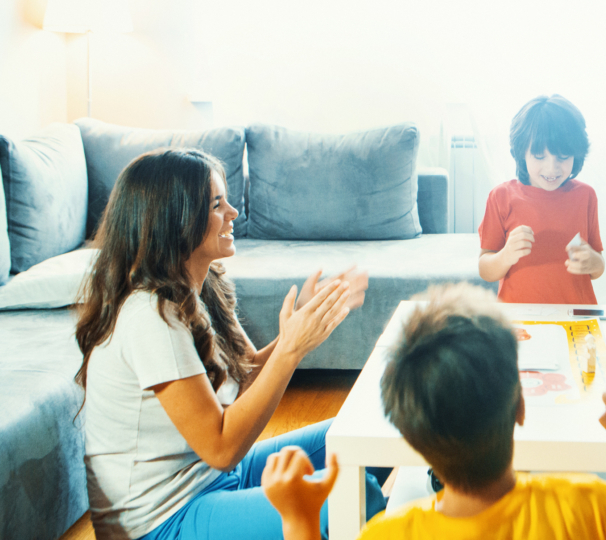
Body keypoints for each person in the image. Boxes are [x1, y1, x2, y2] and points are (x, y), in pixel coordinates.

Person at [263, 283, 606, 539]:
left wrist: (300, 520)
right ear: (521, 406)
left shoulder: (392, 532)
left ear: (410, 437)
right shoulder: (587, 508)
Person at [75, 148, 385, 540]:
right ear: (175, 219)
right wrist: (291, 349)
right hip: (166, 519)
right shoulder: (149, 316)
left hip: (216, 479)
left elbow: (245, 376)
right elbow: (221, 446)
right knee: (358, 497)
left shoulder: (201, 288)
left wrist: (299, 326)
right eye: (217, 205)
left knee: (370, 434)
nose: (233, 213)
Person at [478, 94, 605, 304]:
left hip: (576, 316)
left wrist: (593, 263)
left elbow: (598, 267)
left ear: (577, 154)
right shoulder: (500, 197)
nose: (551, 168)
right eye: (539, 156)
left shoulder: (586, 196)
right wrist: (506, 255)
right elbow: (485, 269)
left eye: (563, 157)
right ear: (521, 154)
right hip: (520, 317)